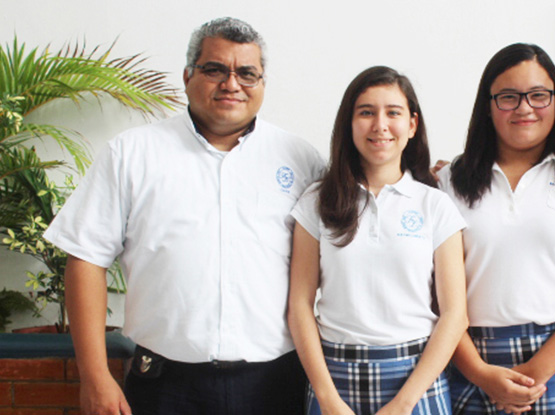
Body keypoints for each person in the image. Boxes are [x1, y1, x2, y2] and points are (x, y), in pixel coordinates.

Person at [43, 17, 325, 415]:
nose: (232, 84)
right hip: (165, 386)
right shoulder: (132, 154)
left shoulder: (301, 159)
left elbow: (348, 241)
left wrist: (423, 181)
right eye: (215, 69)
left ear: (262, 83)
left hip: (277, 382)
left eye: (247, 73)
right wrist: (94, 375)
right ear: (188, 75)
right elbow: (86, 259)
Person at [436, 43, 555, 415]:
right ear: (488, 106)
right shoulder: (449, 182)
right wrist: (481, 374)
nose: (524, 108)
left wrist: (536, 373)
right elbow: (438, 298)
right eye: (508, 97)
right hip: (473, 363)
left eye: (538, 95)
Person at [287, 66, 468, 415]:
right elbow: (299, 305)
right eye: (366, 112)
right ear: (349, 123)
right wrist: (327, 398)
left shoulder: (435, 204)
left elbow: (455, 315)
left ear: (412, 125)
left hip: (415, 381)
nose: (380, 125)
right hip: (334, 380)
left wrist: (404, 403)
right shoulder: (316, 201)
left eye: (393, 113)